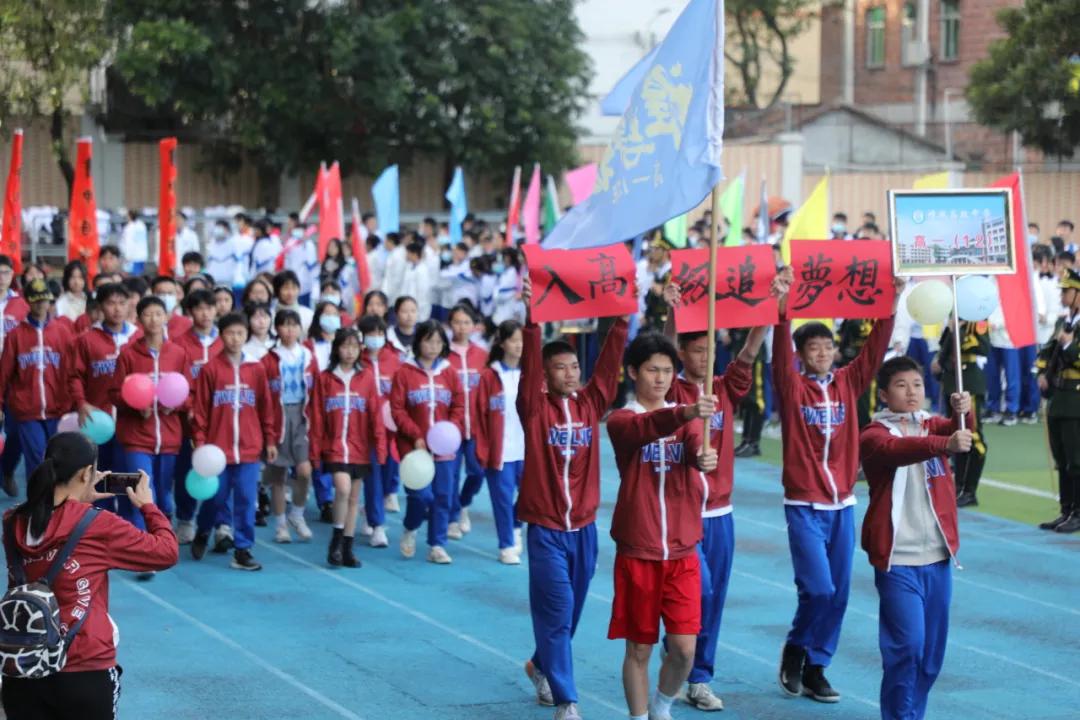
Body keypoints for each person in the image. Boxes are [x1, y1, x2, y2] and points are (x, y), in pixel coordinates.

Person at [773, 269, 901, 704]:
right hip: (804, 504)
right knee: (819, 589)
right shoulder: (792, 387)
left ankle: (817, 667)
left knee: (840, 593)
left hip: (842, 504)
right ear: (801, 354)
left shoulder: (848, 382)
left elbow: (874, 351)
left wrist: (891, 305)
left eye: (828, 346)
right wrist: (782, 309)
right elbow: (779, 355)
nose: (823, 353)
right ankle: (796, 647)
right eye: (814, 347)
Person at [660, 277, 779, 711]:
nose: (704, 356)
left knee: (716, 597)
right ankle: (678, 650)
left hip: (720, 513)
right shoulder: (670, 390)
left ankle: (700, 678)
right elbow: (662, 353)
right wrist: (672, 311)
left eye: (710, 349)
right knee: (700, 592)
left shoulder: (725, 387)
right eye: (696, 350)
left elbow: (749, 351)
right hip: (681, 513)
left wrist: (769, 306)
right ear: (682, 354)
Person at [1, 432, 178, 719]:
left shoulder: (12, 520)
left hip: (23, 666)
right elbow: (166, 552)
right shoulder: (97, 524)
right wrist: (148, 506)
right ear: (86, 474)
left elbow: (52, 517)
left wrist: (78, 501)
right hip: (84, 666)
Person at [516, 274, 629, 720]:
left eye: (574, 366)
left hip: (583, 529)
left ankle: (540, 664)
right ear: (545, 376)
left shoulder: (589, 404)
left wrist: (622, 318)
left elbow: (609, 366)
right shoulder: (534, 408)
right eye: (561, 368)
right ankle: (567, 700)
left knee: (573, 610)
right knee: (558, 611)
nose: (571, 373)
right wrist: (531, 320)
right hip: (546, 529)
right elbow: (528, 368)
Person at [605, 332, 717, 720]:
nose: (661, 378)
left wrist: (703, 458)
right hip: (639, 550)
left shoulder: (688, 418)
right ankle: (638, 717)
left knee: (685, 649)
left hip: (683, 551)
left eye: (668, 371)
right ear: (633, 372)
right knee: (639, 649)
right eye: (652, 370)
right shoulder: (622, 420)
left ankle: (661, 706)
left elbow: (694, 447)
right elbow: (645, 428)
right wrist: (686, 413)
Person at [860, 357, 972, 720]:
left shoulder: (933, 425)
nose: (911, 392)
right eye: (901, 385)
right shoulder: (873, 435)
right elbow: (898, 451)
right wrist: (945, 442)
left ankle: (912, 714)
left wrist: (963, 411)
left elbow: (960, 430)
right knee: (906, 647)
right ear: (884, 394)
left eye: (917, 384)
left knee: (930, 658)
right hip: (898, 561)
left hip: (937, 559)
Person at [189, 312, 276, 570]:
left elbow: (266, 408)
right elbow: (201, 411)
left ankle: (243, 549)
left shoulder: (256, 369)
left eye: (240, 333)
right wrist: (200, 443)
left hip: (249, 449)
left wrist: (270, 440)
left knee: (247, 499)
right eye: (230, 333)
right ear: (221, 335)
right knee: (216, 498)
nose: (235, 338)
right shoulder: (210, 369)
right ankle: (204, 529)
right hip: (217, 451)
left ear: (246, 335)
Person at [111, 296, 191, 529]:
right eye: (147, 314)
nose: (153, 319)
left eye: (158, 314)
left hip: (169, 438)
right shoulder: (128, 355)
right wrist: (135, 407)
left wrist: (175, 405)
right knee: (142, 494)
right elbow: (114, 393)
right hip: (136, 438)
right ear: (139, 319)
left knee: (163, 498)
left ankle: (162, 536)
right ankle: (142, 543)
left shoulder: (178, 354)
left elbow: (190, 393)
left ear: (166, 317)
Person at [389, 319, 465, 564]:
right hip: (414, 447)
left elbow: (459, 405)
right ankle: (411, 527)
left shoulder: (450, 372)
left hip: (444, 447)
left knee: (443, 495)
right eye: (428, 341)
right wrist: (415, 435)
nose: (433, 346)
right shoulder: (404, 373)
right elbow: (397, 409)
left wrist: (450, 429)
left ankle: (437, 545)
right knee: (421, 495)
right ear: (418, 342)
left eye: (438, 342)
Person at [310, 327, 386, 567]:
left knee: (353, 498)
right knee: (342, 489)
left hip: (359, 448)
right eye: (345, 346)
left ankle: (347, 547)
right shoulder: (325, 378)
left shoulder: (367, 377)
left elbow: (375, 414)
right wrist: (315, 450)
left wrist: (380, 447)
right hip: (334, 446)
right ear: (336, 349)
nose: (350, 351)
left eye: (354, 346)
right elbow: (317, 416)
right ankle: (335, 540)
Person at [0, 278, 75, 481]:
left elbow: (72, 371)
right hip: (27, 410)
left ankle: (54, 499)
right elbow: (4, 373)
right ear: (27, 301)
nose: (41, 305)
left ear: (50, 300)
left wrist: (74, 402)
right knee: (37, 459)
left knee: (57, 459)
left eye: (44, 300)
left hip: (58, 408)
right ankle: (38, 499)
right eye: (36, 300)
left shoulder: (62, 332)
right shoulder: (15, 335)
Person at [67, 282, 137, 481]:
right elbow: (75, 376)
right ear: (100, 307)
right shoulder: (87, 340)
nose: (117, 309)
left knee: (125, 476)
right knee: (100, 475)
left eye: (122, 303)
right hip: (97, 418)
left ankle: (122, 503)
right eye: (111, 303)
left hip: (131, 420)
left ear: (129, 305)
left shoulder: (137, 337)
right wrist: (81, 403)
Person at [172, 289, 223, 546]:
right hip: (188, 421)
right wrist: (190, 406)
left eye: (209, 308)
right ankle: (185, 518)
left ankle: (221, 523)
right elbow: (176, 383)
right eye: (200, 308)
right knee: (186, 468)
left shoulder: (224, 341)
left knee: (222, 470)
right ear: (191, 312)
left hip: (221, 420)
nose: (205, 314)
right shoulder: (179, 344)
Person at [261, 309, 317, 544]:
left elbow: (317, 391)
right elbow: (264, 396)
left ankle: (297, 513)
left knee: (305, 470)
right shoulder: (269, 359)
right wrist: (268, 433)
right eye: (285, 325)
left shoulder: (309, 356)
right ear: (277, 329)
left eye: (294, 325)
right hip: (279, 416)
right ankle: (281, 524)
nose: (290, 330)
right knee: (278, 475)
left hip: (302, 416)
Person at [474, 320, 525, 564]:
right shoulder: (489, 376)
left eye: (522, 340)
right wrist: (482, 449)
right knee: (502, 499)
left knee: (530, 496)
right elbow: (479, 415)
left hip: (526, 450)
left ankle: (516, 524)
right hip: (500, 451)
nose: (519, 345)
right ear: (502, 343)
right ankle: (506, 545)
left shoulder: (531, 374)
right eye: (514, 340)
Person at [1036, 268, 1080, 533]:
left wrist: (1068, 346)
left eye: (1067, 291)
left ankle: (1078, 513)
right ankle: (1066, 510)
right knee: (1062, 459)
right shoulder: (1063, 323)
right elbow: (1046, 352)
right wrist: (1042, 373)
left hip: (1076, 399)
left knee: (1076, 460)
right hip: (1058, 397)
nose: (1062, 295)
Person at [933, 319, 989, 508]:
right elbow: (945, 343)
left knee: (974, 438)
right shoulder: (954, 318)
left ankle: (970, 490)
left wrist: (960, 332)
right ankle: (958, 487)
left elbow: (984, 347)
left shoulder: (977, 320)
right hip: (952, 380)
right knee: (957, 434)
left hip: (969, 381)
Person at [359, 314, 402, 538]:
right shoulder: (358, 361)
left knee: (388, 474)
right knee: (373, 474)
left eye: (379, 333)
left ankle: (372, 508)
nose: (375, 337)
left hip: (391, 430)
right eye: (370, 333)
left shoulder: (395, 360)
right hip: (367, 430)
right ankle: (378, 525)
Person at [447, 304, 488, 539]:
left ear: (473, 326)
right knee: (451, 476)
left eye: (466, 322)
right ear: (450, 324)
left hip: (477, 427)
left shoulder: (482, 355)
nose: (461, 327)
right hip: (450, 429)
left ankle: (463, 503)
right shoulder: (443, 354)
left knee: (478, 472)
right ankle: (452, 519)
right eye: (457, 322)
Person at [388, 295, 418, 361]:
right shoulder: (388, 335)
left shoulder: (422, 335)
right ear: (396, 314)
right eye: (405, 311)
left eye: (413, 311)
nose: (410, 315)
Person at [119, 210, 149, 274]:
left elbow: (128, 242)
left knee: (133, 276)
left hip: (133, 256)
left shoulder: (129, 228)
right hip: (142, 254)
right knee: (140, 274)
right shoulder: (142, 225)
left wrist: (127, 256)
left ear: (130, 216)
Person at [173, 211, 201, 277]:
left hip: (189, 269)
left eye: (179, 219)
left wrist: (193, 267)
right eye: (175, 220)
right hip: (173, 269)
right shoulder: (169, 236)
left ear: (184, 220)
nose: (177, 222)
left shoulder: (192, 235)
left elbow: (196, 252)